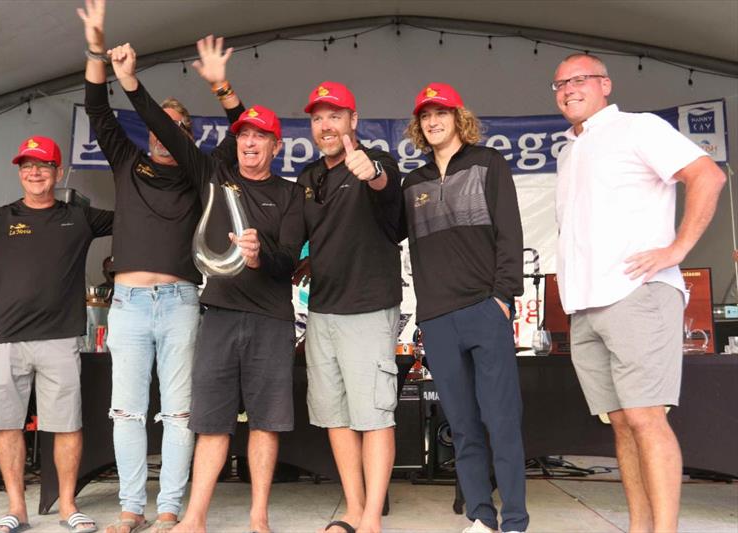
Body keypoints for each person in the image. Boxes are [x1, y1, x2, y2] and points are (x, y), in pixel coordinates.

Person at [108, 38, 304, 533]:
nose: (250, 143)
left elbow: (293, 263)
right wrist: (131, 83)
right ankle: (192, 517)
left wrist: (264, 256)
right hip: (216, 315)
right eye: (244, 137)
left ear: (276, 146)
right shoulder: (211, 174)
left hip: (271, 320)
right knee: (209, 421)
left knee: (265, 423)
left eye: (261, 138)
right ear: (235, 143)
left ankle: (258, 516)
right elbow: (163, 129)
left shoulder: (290, 194)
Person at [79, 2, 242, 531]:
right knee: (125, 412)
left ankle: (170, 508)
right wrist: (96, 49)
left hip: (178, 303)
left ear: (185, 134)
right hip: (126, 303)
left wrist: (139, 82)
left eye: (174, 128)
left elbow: (241, 134)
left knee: (177, 413)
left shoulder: (200, 170)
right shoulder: (128, 162)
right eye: (157, 128)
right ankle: (131, 509)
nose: (161, 134)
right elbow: (98, 111)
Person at [552, 53, 726, 532]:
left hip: (637, 295)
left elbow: (708, 175)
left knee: (647, 417)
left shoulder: (638, 127)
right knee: (623, 422)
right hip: (586, 305)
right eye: (561, 83)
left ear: (605, 84)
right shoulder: (569, 150)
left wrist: (678, 248)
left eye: (580, 79)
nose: (569, 88)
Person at [0, 138, 112, 533]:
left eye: (43, 165)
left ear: (58, 170)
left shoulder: (80, 218)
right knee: (7, 425)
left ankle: (68, 506)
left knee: (67, 425)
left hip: (61, 338)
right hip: (7, 339)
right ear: (19, 172)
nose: (35, 173)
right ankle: (17, 508)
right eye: (27, 166)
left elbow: (135, 218)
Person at [401, 83, 528, 533]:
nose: (432, 121)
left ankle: (514, 520)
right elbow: (379, 231)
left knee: (501, 420)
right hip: (436, 318)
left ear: (458, 117)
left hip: (484, 309)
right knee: (463, 424)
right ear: (418, 125)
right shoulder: (411, 183)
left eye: (441, 112)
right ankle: (481, 517)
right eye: (425, 115)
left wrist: (502, 297)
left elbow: (510, 235)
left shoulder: (488, 162)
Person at [298, 81, 402, 533]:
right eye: (318, 117)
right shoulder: (308, 177)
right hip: (322, 311)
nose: (326, 125)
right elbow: (307, 235)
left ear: (353, 121)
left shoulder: (376, 161)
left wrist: (370, 170)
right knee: (335, 416)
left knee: (374, 416)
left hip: (368, 307)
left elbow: (384, 183)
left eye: (335, 116)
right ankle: (354, 509)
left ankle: (373, 518)